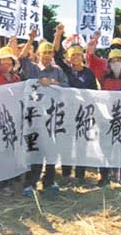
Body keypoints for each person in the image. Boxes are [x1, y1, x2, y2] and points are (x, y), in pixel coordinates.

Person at [20, 34, 68, 199]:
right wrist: (30, 40)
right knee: (36, 151)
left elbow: (67, 87)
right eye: (44, 52)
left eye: (50, 52)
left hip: (53, 117)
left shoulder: (58, 71)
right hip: (35, 117)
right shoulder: (33, 69)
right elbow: (21, 59)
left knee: (52, 151)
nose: (47, 55)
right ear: (39, 54)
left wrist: (53, 83)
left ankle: (49, 182)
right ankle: (30, 183)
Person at [53, 24, 97, 184]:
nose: (76, 58)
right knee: (66, 143)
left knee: (81, 144)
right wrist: (58, 35)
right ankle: (66, 174)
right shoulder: (66, 70)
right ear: (69, 58)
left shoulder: (89, 73)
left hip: (83, 114)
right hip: (66, 113)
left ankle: (79, 176)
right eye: (73, 56)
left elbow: (94, 93)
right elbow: (57, 55)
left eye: (78, 55)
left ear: (82, 57)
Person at [93, 48, 121, 187]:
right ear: (109, 63)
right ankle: (104, 177)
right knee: (106, 148)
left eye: (119, 60)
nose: (116, 63)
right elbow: (92, 61)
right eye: (113, 61)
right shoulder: (104, 76)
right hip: (106, 118)